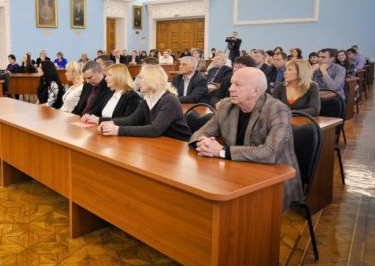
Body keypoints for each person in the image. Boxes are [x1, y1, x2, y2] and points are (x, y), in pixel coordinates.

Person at [190, 67, 303, 211]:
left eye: (238, 85)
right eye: (231, 83)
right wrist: (203, 144)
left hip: (273, 179)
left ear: (256, 91)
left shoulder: (277, 110)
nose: (230, 88)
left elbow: (271, 152)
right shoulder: (226, 106)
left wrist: (221, 151)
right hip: (235, 172)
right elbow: (199, 134)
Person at [98, 64, 191, 141]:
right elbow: (132, 120)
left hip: (179, 145)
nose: (138, 82)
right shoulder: (147, 99)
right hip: (162, 142)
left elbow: (155, 130)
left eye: (141, 78)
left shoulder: (169, 100)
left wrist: (118, 130)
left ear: (152, 80)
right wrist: (111, 123)